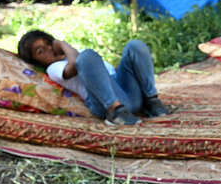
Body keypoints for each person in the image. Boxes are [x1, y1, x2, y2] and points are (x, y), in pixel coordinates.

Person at [18, 30, 168, 125]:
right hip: (103, 103)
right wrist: (63, 45)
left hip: (128, 95)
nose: (49, 49)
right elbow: (75, 64)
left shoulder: (77, 53)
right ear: (37, 62)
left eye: (48, 44)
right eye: (40, 51)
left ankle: (151, 100)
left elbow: (107, 73)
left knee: (135, 46)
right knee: (86, 56)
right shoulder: (54, 69)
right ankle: (115, 112)